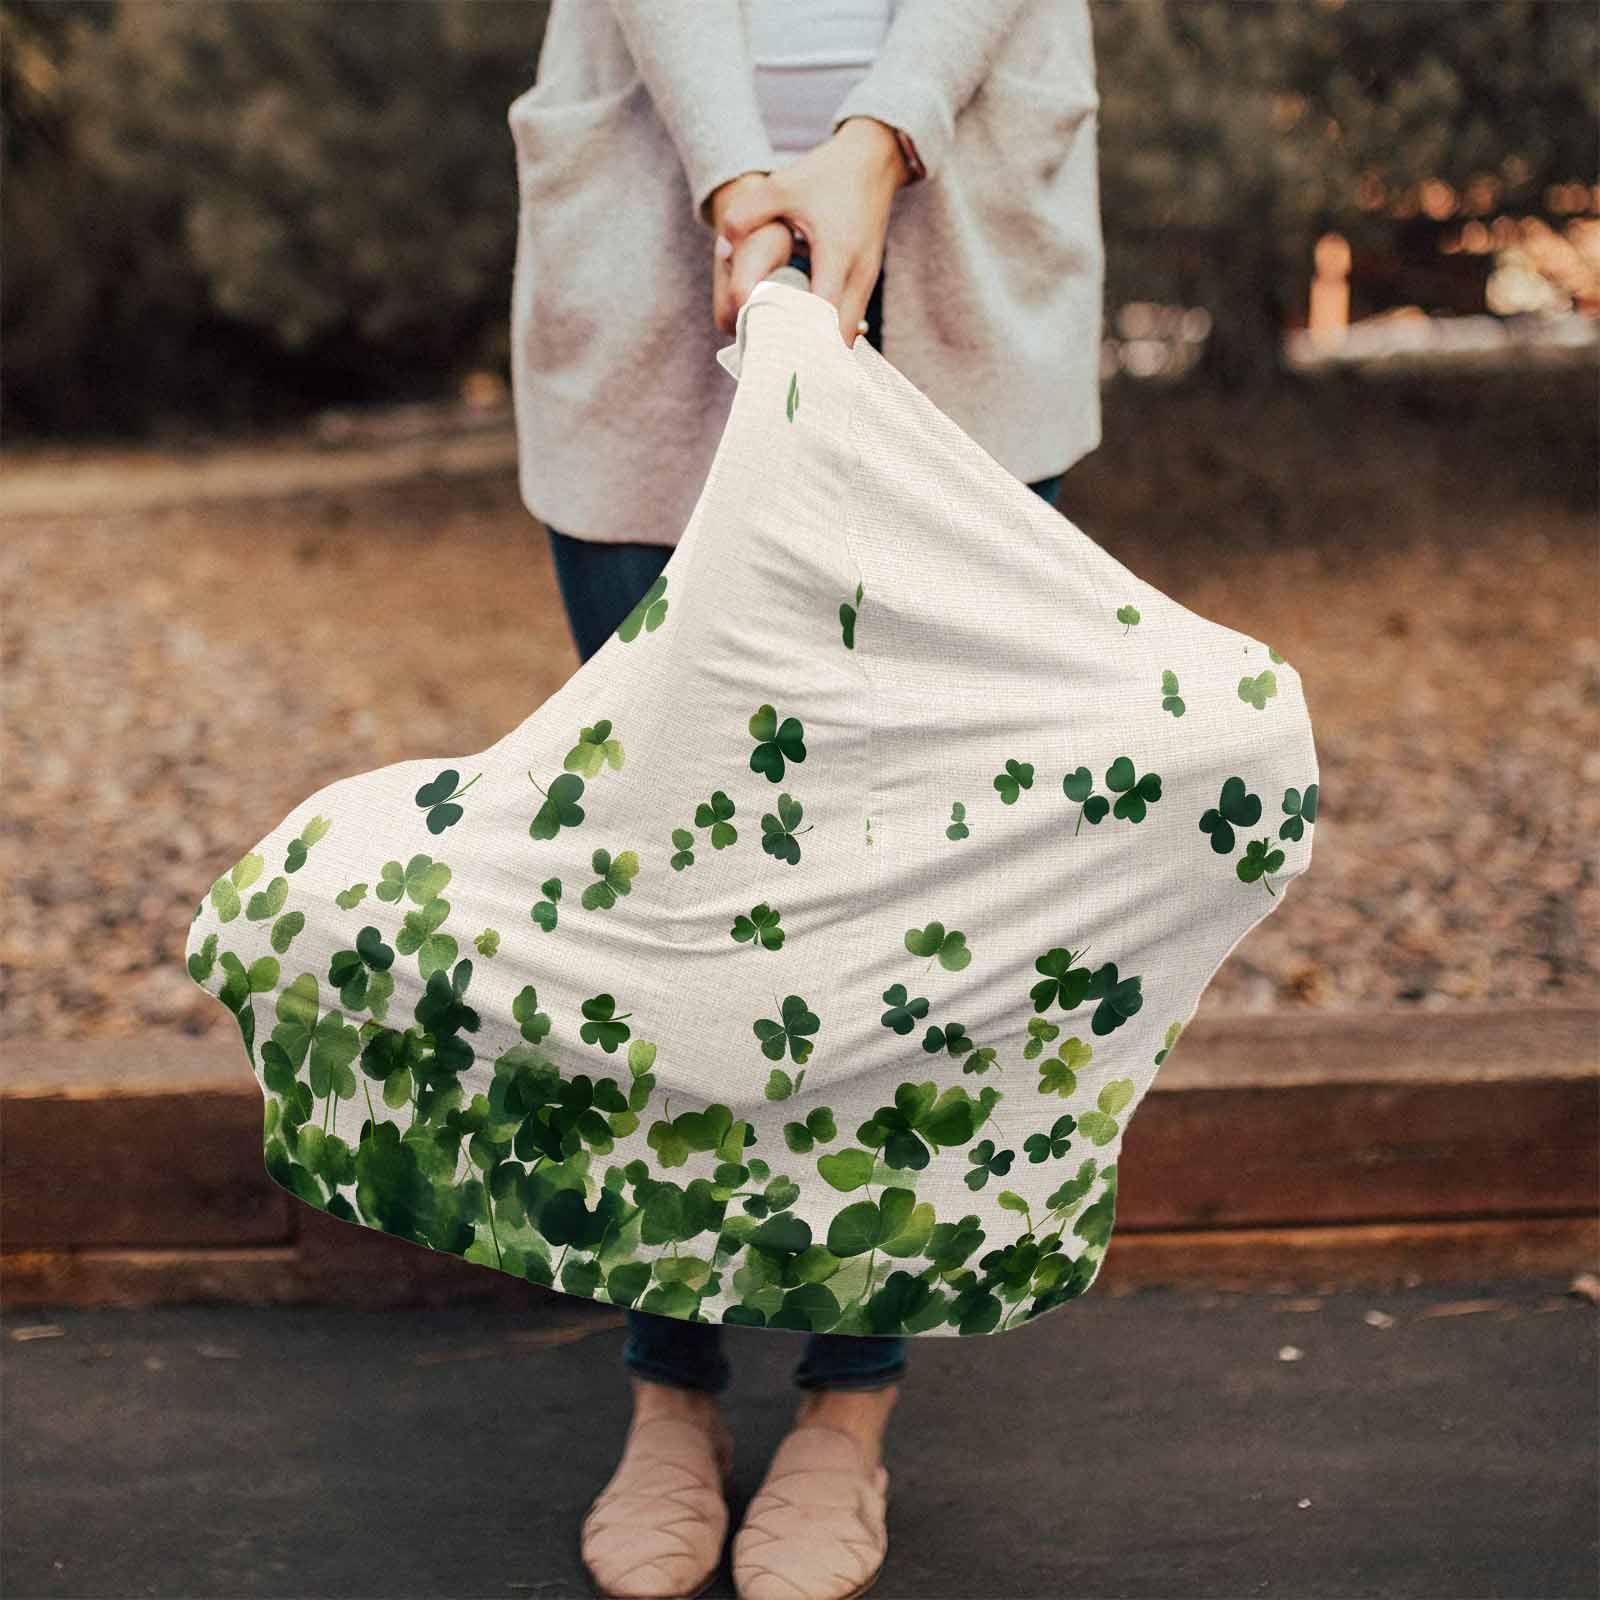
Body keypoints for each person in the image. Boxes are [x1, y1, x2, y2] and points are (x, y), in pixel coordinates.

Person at [505, 4, 1104, 1596]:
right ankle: (669, 1388)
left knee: (908, 882)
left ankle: (849, 1403)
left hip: (959, 220)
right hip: (656, 219)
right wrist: (733, 177)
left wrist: (877, 136)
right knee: (664, 873)